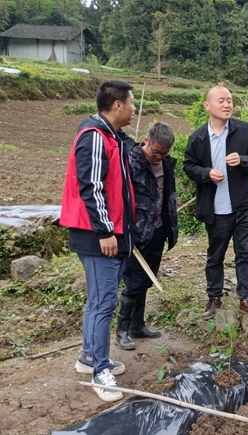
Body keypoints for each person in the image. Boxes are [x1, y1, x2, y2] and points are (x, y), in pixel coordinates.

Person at [60, 80, 135, 402]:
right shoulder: (94, 137)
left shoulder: (111, 136)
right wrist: (105, 231)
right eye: (131, 103)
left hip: (108, 232)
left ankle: (89, 358)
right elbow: (92, 187)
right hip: (96, 234)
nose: (134, 109)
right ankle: (100, 371)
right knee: (103, 303)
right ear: (117, 105)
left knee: (98, 300)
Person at [184, 86, 248, 321]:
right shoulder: (198, 137)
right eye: (221, 101)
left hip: (243, 206)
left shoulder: (244, 130)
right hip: (215, 208)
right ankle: (214, 296)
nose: (227, 105)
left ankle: (246, 299)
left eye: (229, 100)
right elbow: (189, 166)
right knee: (215, 255)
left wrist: (243, 160)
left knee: (245, 254)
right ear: (207, 106)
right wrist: (207, 173)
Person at [116, 122, 178, 351]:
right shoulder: (130, 163)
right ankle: (122, 330)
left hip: (158, 231)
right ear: (146, 141)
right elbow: (119, 198)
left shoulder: (166, 164)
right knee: (133, 282)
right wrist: (124, 230)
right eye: (155, 152)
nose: (159, 157)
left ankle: (137, 325)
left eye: (164, 153)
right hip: (135, 235)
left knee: (146, 280)